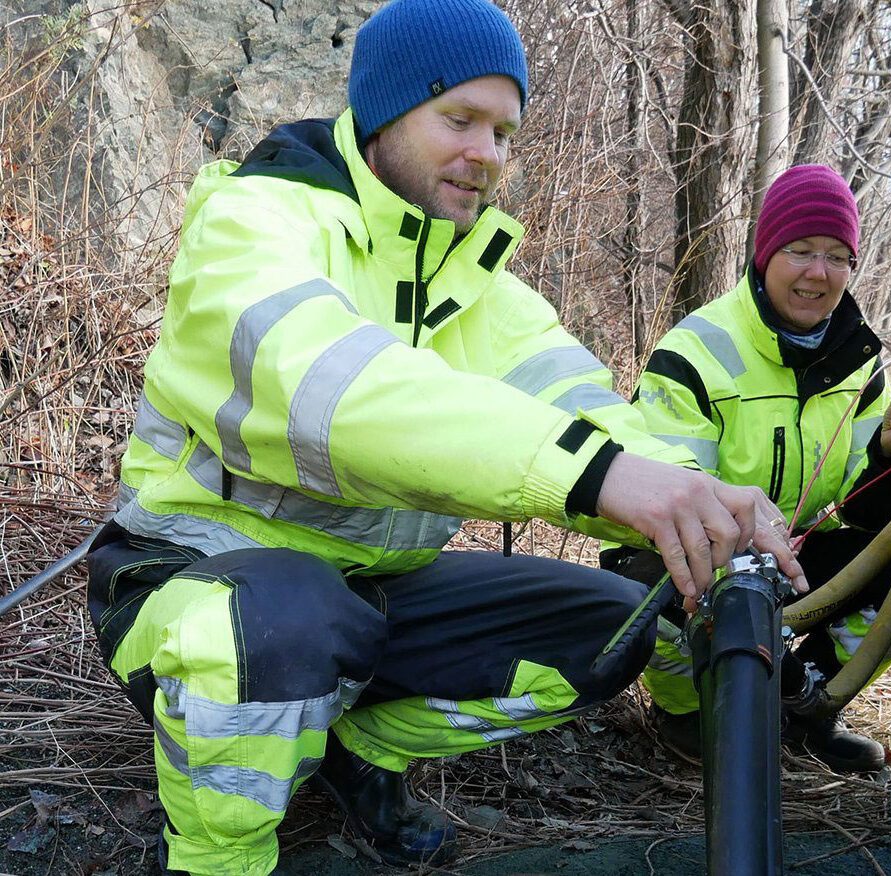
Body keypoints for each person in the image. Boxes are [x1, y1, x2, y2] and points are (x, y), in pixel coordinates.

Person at [84, 2, 802, 873]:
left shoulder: (482, 287)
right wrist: (599, 476)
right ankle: (216, 858)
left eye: (503, 130)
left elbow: (593, 408)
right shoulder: (259, 222)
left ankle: (360, 752)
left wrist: (698, 495)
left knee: (618, 629)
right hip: (196, 580)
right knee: (268, 625)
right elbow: (341, 396)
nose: (487, 154)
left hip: (375, 592)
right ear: (382, 114)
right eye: (458, 119)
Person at [602, 165, 891, 773]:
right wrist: (740, 533)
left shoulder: (862, 366)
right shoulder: (697, 350)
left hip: (797, 553)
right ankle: (689, 717)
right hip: (702, 549)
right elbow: (661, 496)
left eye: (838, 257)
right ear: (764, 256)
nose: (818, 272)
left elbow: (870, 520)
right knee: (649, 581)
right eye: (801, 250)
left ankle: (804, 709)